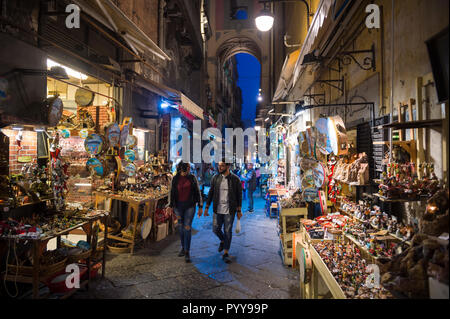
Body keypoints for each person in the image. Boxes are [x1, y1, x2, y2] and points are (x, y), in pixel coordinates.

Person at [201, 161, 242, 263]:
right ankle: (223, 240)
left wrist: (239, 210)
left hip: (230, 209)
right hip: (217, 209)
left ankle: (226, 252)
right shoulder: (215, 178)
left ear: (228, 166)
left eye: (222, 165)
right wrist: (206, 207)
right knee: (215, 229)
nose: (220, 167)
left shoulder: (235, 179)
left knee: (228, 231)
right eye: (219, 165)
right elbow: (211, 193)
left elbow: (239, 195)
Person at [168, 161, 203, 263]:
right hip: (178, 207)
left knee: (187, 228)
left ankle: (187, 251)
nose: (189, 169)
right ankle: (183, 247)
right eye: (187, 167)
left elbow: (197, 192)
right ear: (183, 168)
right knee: (181, 227)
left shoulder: (192, 178)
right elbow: (171, 192)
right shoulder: (175, 179)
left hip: (190, 207)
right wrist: (170, 205)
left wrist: (200, 206)